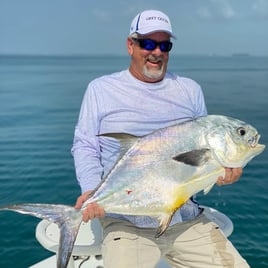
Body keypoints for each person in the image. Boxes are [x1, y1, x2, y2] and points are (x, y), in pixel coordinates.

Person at [72, 9, 249, 268]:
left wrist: (222, 173)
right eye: (148, 43)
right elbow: (85, 145)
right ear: (130, 45)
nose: (157, 52)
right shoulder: (101, 89)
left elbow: (202, 153)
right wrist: (91, 191)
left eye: (164, 45)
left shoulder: (189, 90)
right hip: (126, 221)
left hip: (185, 219)